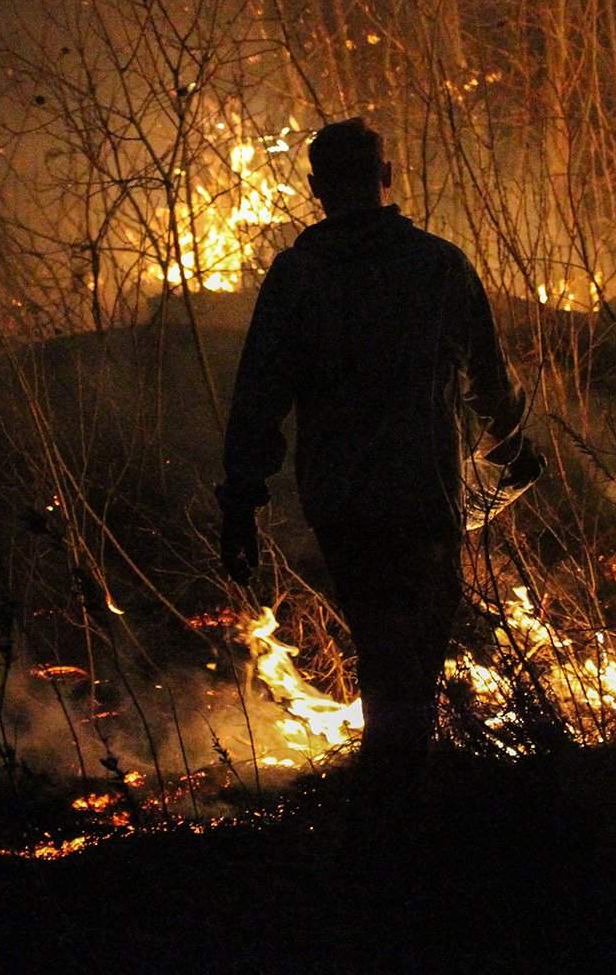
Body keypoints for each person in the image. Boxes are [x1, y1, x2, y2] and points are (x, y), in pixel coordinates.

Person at [216, 116, 542, 826]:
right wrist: (514, 444)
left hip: (342, 504)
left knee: (383, 651)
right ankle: (397, 819)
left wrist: (239, 503)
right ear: (386, 178)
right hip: (426, 495)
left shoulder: (297, 277)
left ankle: (390, 816)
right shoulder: (438, 265)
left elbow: (257, 398)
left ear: (315, 189)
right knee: (412, 662)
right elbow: (491, 377)